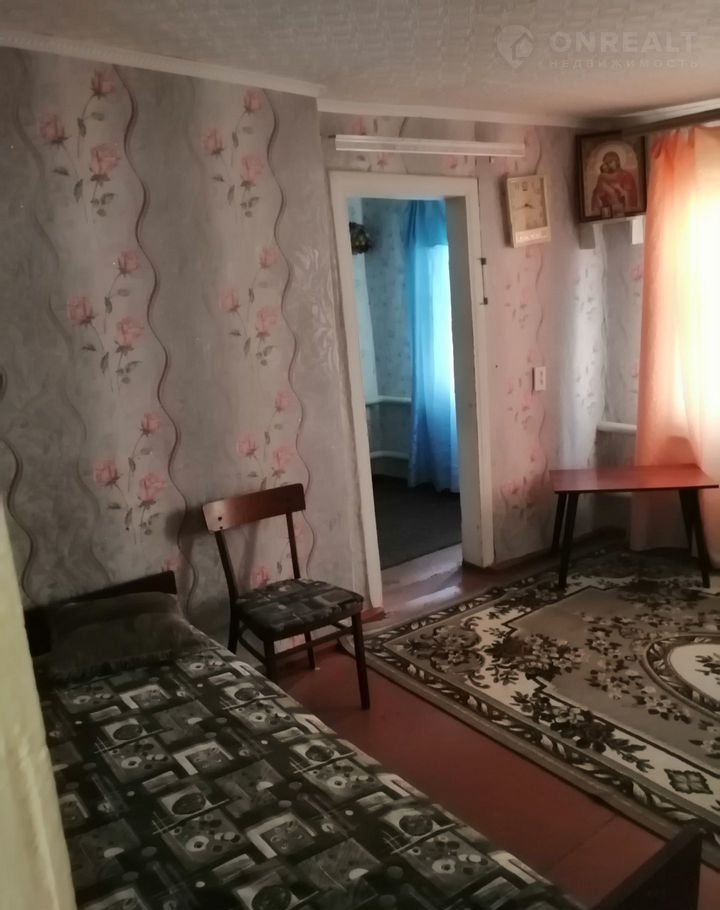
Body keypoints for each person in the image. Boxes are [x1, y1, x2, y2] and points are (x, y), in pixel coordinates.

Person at [590, 150, 638, 217]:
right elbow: (597, 194)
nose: (608, 165)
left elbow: (629, 194)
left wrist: (619, 189)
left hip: (622, 211)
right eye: (606, 163)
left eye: (610, 162)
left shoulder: (626, 175)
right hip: (607, 210)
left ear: (617, 162)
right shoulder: (603, 176)